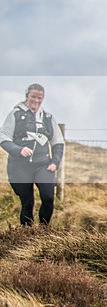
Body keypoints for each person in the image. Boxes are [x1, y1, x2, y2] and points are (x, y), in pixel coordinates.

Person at [0, 83, 65, 227]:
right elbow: (3, 137)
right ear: (27, 96)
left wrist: (55, 161)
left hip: (43, 165)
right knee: (27, 202)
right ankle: (26, 234)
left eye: (39, 98)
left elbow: (58, 142)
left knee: (48, 198)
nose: (36, 101)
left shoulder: (48, 118)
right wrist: (19, 150)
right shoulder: (15, 114)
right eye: (33, 97)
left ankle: (43, 230)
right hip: (20, 166)